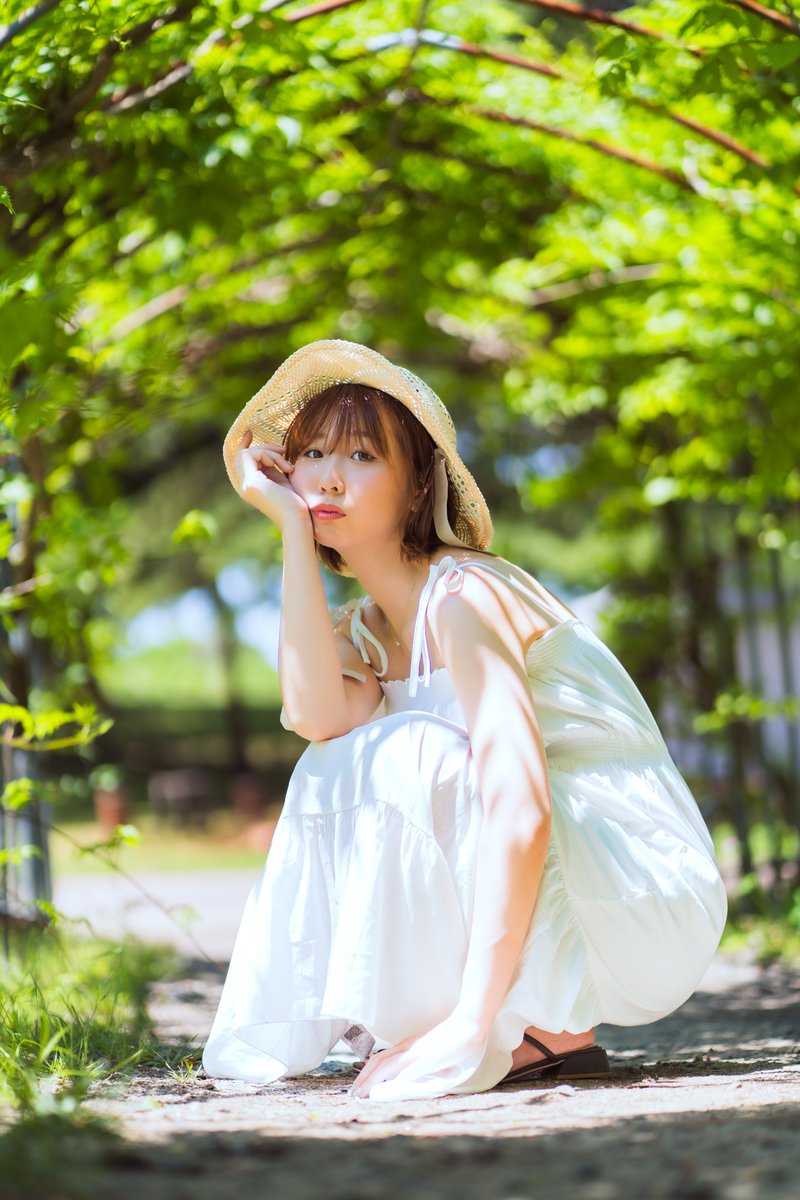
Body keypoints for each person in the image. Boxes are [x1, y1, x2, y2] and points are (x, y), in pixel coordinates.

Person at [202, 338, 727, 1102]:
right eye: (312, 454)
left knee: (413, 748)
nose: (329, 477)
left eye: (362, 455)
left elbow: (522, 804)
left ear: (420, 485)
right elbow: (315, 720)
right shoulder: (364, 631)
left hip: (634, 887)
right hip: (568, 873)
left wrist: (474, 1023)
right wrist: (287, 524)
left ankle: (532, 1026)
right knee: (340, 757)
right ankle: (461, 1018)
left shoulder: (465, 597)